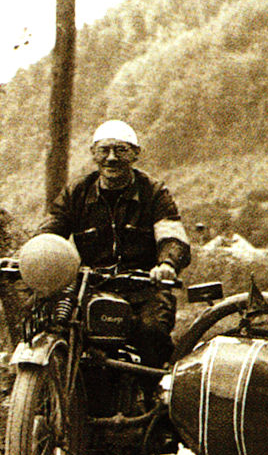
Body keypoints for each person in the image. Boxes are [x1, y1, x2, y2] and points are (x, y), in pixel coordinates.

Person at [36, 119, 191, 368]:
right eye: (104, 150)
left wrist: (167, 264)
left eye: (121, 150)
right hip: (90, 288)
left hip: (144, 289)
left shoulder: (153, 193)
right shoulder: (77, 192)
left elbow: (172, 235)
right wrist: (25, 256)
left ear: (136, 154)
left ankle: (156, 396)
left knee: (152, 333)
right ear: (93, 154)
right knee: (61, 326)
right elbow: (49, 233)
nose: (111, 158)